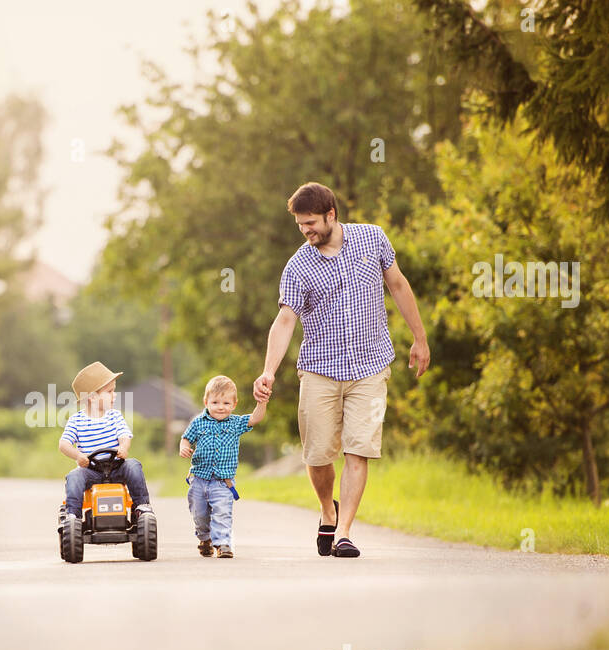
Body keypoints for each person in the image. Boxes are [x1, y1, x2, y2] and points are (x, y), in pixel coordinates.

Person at [254, 182, 430, 558]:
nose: (306, 231)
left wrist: (420, 338)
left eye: (311, 222)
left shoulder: (372, 239)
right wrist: (269, 370)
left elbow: (397, 284)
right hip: (320, 369)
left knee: (358, 449)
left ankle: (344, 532)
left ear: (331, 214)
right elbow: (285, 320)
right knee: (318, 456)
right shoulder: (298, 265)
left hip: (371, 367)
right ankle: (327, 509)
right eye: (300, 225)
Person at [180, 374, 266, 558]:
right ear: (206, 402)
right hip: (199, 479)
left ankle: (223, 544)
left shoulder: (235, 423)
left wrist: (262, 403)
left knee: (222, 512)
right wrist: (184, 447)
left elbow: (255, 418)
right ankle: (205, 539)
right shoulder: (198, 422)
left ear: (234, 405)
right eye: (216, 402)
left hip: (222, 482)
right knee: (199, 515)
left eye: (226, 403)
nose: (221, 407)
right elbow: (186, 438)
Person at [58, 361, 153, 525]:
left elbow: (124, 436)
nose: (114, 395)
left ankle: (141, 507)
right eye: (110, 391)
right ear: (93, 397)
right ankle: (73, 516)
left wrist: (123, 447)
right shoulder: (77, 421)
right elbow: (64, 444)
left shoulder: (114, 416)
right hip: (91, 470)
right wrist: (78, 455)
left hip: (116, 467)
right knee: (74, 476)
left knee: (133, 465)